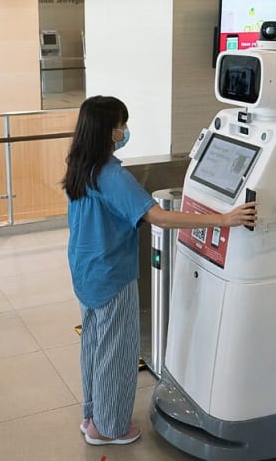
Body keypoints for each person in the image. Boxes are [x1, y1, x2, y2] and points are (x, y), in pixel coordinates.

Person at [63, 96, 257, 446]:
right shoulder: (112, 176)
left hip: (85, 269)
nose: (124, 131)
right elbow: (158, 217)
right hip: (111, 275)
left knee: (93, 344)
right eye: (121, 124)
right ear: (109, 131)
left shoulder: (80, 167)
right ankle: (108, 428)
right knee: (116, 352)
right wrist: (223, 219)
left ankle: (92, 414)